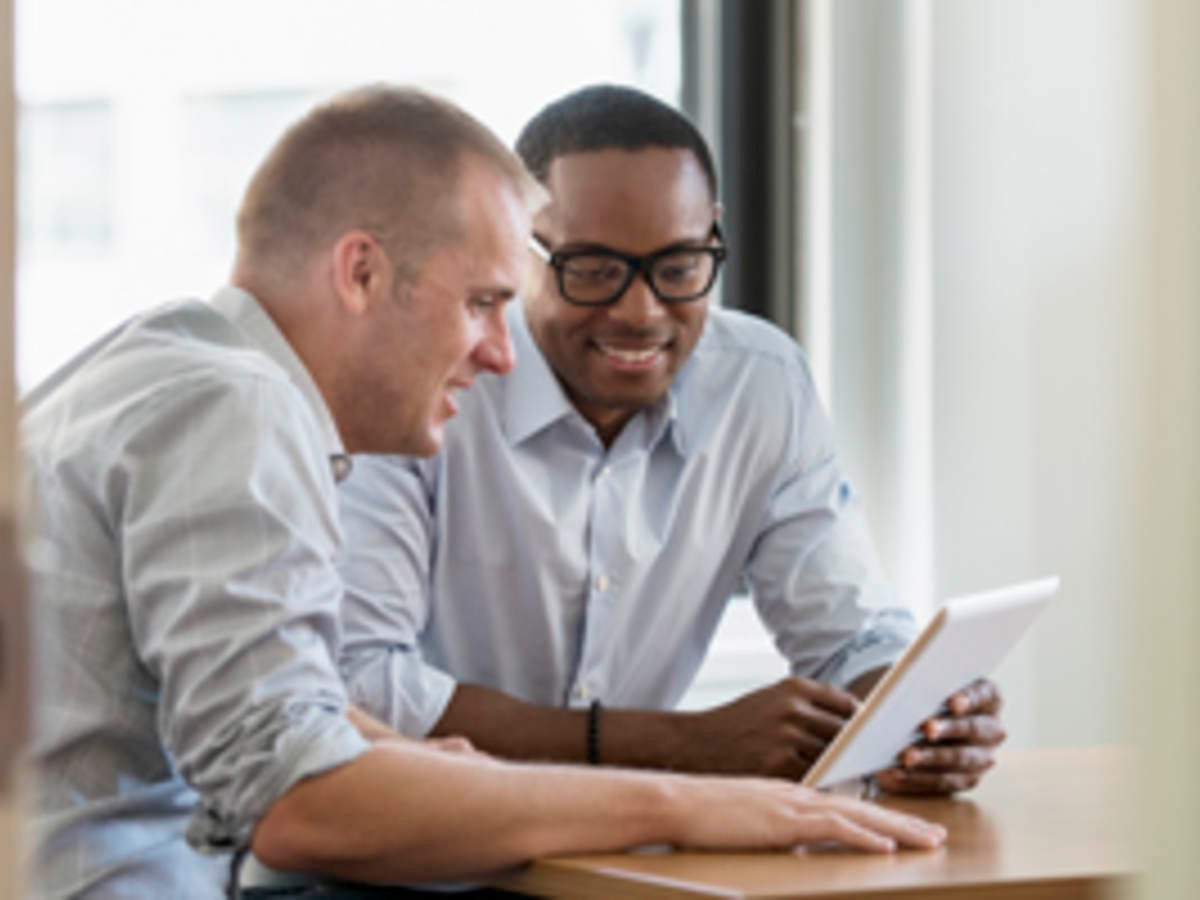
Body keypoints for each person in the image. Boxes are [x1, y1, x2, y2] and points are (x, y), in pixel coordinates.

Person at [20, 85, 946, 899]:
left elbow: (261, 705)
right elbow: (298, 803)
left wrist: (402, 754)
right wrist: (694, 796)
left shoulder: (168, 371)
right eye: (481, 304)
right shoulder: (240, 407)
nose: (502, 355)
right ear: (362, 272)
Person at [337, 84, 1007, 795]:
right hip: (399, 865)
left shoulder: (760, 384)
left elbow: (848, 635)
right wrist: (682, 745)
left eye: (679, 268)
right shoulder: (416, 380)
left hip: (619, 863)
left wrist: (916, 717)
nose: (640, 311)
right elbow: (361, 685)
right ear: (511, 247)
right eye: (593, 270)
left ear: (713, 235)